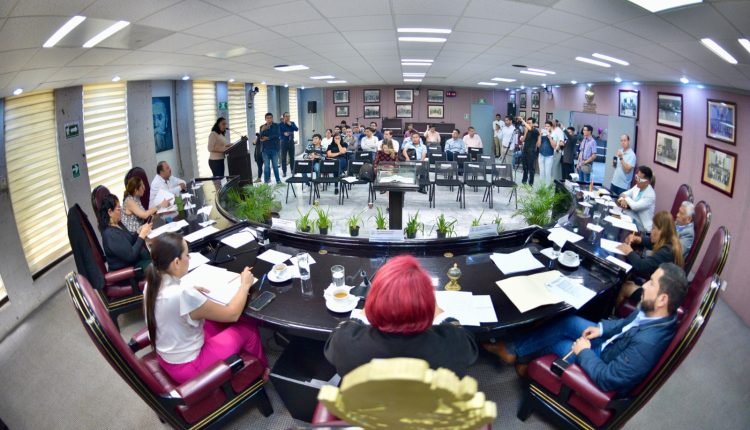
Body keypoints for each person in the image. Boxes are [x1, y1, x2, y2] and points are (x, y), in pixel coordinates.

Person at [484, 263, 687, 395]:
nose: (644, 286)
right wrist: (601, 329)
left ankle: (523, 359)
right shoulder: (653, 311)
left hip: (602, 360)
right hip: (610, 344)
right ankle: (514, 350)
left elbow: (608, 379)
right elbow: (624, 325)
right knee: (568, 321)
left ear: (663, 299)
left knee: (560, 343)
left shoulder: (648, 343)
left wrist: (584, 352)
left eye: (651, 283)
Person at [324, 255, 478, 377]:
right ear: (428, 307)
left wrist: (366, 310)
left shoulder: (345, 342)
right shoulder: (454, 344)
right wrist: (438, 311)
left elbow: (342, 331)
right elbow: (465, 340)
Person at [144, 233, 267, 384]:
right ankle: (261, 371)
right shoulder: (182, 295)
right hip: (190, 366)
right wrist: (245, 285)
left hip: (169, 357)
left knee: (217, 321)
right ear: (176, 262)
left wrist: (191, 291)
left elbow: (173, 301)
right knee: (248, 328)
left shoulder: (151, 283)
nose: (189, 259)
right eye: (187, 255)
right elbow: (232, 314)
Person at [616, 211, 685, 306]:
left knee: (625, 287)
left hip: (659, 298)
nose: (651, 231)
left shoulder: (667, 251)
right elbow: (652, 242)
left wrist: (629, 251)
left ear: (661, 231)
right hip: (659, 288)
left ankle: (614, 313)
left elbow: (641, 266)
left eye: (653, 228)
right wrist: (639, 239)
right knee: (628, 280)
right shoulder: (670, 241)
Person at [98, 194, 152, 275]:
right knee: (158, 264)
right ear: (110, 212)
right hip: (130, 272)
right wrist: (142, 235)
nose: (121, 212)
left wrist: (138, 232)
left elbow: (129, 241)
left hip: (135, 263)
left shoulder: (118, 224)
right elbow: (131, 255)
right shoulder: (110, 234)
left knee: (156, 255)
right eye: (118, 209)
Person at [617, 166, 656, 231]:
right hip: (631, 220)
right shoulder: (637, 187)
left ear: (647, 182)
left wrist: (626, 198)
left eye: (639, 179)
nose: (636, 180)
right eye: (636, 177)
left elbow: (635, 206)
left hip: (642, 227)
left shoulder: (650, 195)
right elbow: (622, 194)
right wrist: (623, 200)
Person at [259, 112, 281, 184]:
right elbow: (260, 138)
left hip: (274, 149)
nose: (269, 119)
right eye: (267, 118)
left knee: (275, 166)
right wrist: (262, 131)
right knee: (266, 166)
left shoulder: (276, 126)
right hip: (265, 150)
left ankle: (278, 180)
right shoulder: (262, 127)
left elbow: (277, 135)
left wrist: (268, 138)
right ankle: (266, 181)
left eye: (270, 118)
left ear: (272, 118)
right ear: (265, 119)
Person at [520, 118, 540, 186]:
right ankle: (524, 181)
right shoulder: (527, 130)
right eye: (527, 123)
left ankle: (531, 183)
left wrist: (522, 120)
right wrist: (525, 133)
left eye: (529, 123)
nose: (528, 124)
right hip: (525, 150)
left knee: (531, 168)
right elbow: (522, 140)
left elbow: (530, 129)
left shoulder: (535, 131)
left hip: (531, 152)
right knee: (524, 167)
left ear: (533, 124)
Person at [279, 111, 299, 177]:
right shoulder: (280, 124)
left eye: (289, 116)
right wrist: (283, 133)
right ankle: (284, 172)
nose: (288, 117)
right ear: (283, 117)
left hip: (291, 142)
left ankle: (292, 170)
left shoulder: (292, 123)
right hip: (283, 142)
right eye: (286, 116)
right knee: (283, 158)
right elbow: (278, 133)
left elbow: (296, 129)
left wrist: (290, 125)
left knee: (292, 157)